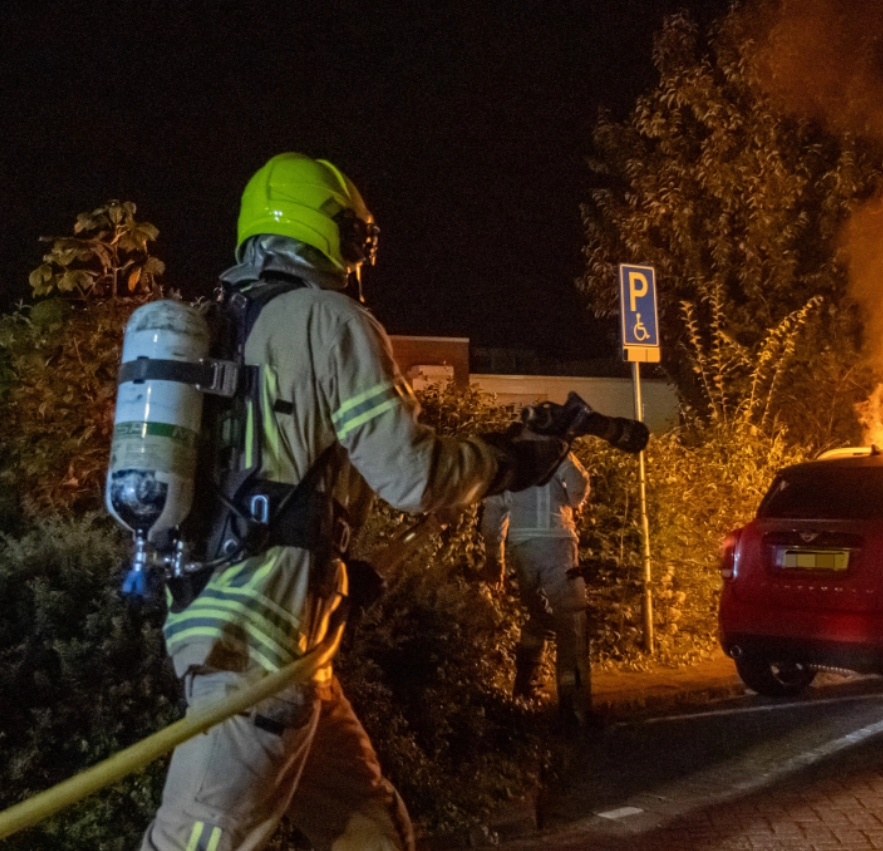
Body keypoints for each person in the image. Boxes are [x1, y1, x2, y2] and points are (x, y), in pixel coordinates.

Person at [141, 152, 565, 851]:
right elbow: (410, 474)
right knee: (190, 843)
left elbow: (285, 487)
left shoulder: (227, 322)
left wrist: (341, 573)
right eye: (354, 236)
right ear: (320, 224)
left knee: (369, 828)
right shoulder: (330, 319)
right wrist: (508, 460)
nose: (361, 257)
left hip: (257, 630)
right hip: (262, 650)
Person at [481, 441, 592, 728]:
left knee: (539, 618)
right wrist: (573, 500)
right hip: (558, 544)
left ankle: (525, 691)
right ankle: (573, 708)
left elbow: (493, 513)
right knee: (571, 624)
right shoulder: (558, 451)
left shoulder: (508, 460)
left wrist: (496, 559)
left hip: (522, 549)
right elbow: (579, 486)